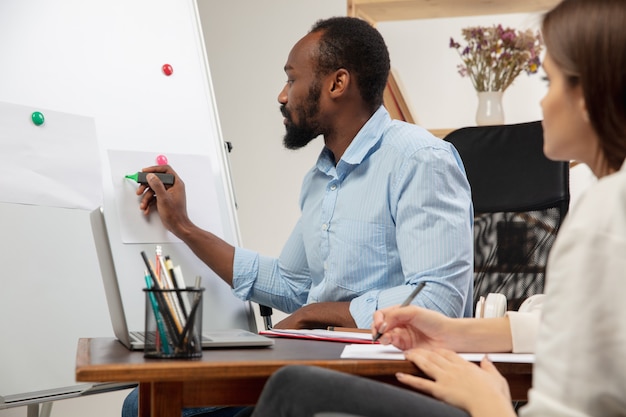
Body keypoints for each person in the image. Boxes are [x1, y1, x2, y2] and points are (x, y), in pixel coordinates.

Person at [244, 0, 626, 416]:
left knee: (292, 389)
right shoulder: (604, 206)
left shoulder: (604, 219)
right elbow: (569, 329)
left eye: (548, 82)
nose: (541, 104)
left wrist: (488, 404)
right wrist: (452, 331)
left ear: (589, 94)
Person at [122, 16, 474, 417]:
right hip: (324, 363)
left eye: (292, 79)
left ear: (337, 84)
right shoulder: (321, 178)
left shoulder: (419, 160)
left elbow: (438, 299)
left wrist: (316, 313)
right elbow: (290, 282)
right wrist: (182, 226)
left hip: (393, 376)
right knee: (143, 403)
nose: (282, 95)